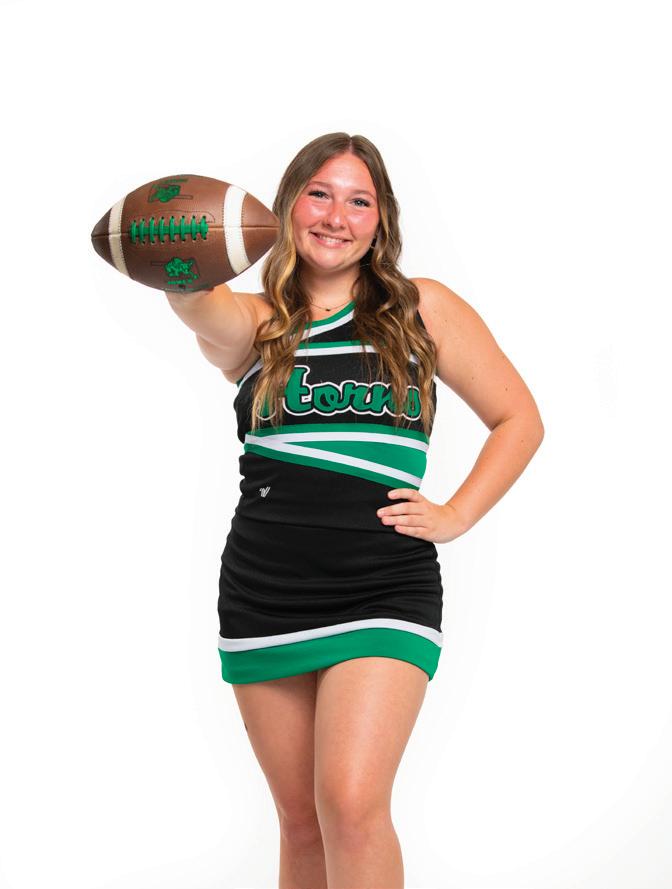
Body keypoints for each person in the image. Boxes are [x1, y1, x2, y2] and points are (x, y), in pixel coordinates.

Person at [165, 132, 544, 889]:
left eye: (358, 200)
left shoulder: (421, 308)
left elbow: (519, 419)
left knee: (350, 804)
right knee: (301, 822)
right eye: (319, 194)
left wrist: (456, 514)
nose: (336, 216)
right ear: (287, 208)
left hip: (383, 584)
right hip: (265, 585)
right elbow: (199, 306)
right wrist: (177, 253)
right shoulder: (259, 321)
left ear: (381, 220)